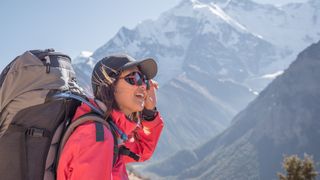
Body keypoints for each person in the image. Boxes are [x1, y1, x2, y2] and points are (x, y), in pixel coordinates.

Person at [57, 54, 164, 180]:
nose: (143, 86)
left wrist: (149, 112)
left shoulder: (110, 130)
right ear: (109, 84)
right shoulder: (97, 137)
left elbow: (141, 150)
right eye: (134, 78)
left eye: (145, 81)